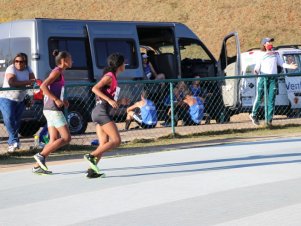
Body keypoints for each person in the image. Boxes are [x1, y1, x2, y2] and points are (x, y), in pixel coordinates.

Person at [84, 53, 125, 178]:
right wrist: (110, 100)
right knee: (116, 141)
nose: (125, 65)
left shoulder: (113, 77)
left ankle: (92, 171)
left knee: (103, 144)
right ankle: (90, 156)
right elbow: (94, 88)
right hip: (101, 112)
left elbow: (106, 98)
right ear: (119, 65)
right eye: (124, 63)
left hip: (99, 112)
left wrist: (119, 102)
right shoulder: (109, 76)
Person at [32, 50, 72, 174]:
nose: (72, 61)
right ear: (64, 60)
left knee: (53, 139)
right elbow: (43, 86)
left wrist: (62, 100)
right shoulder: (57, 72)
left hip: (50, 109)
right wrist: (55, 99)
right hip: (53, 109)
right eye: (70, 58)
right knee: (66, 137)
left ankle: (37, 166)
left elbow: (53, 89)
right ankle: (41, 155)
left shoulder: (58, 72)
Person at [249, 37, 298, 126]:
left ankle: (269, 121)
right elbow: (257, 68)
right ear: (264, 44)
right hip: (263, 78)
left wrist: (289, 66)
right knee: (259, 97)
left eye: (271, 42)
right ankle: (253, 114)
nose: (270, 43)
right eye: (268, 42)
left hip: (273, 78)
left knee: (271, 99)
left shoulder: (275, 53)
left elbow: (281, 63)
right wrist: (255, 72)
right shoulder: (261, 54)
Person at [0, 53, 36, 152]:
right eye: (17, 61)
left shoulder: (28, 69)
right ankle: (13, 141)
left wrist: (31, 96)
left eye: (22, 61)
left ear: (25, 62)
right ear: (14, 62)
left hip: (20, 99)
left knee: (16, 121)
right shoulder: (10, 68)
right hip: (6, 98)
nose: (19, 63)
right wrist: (27, 82)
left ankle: (14, 143)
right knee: (9, 118)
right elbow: (12, 82)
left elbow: (33, 81)